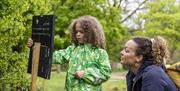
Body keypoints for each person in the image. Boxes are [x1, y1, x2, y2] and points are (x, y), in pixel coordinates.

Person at [27, 15, 111, 91]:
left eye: (81, 32)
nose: (78, 34)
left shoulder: (100, 53)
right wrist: (35, 47)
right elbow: (53, 57)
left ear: (91, 32)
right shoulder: (72, 49)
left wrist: (85, 74)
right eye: (76, 32)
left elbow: (105, 73)